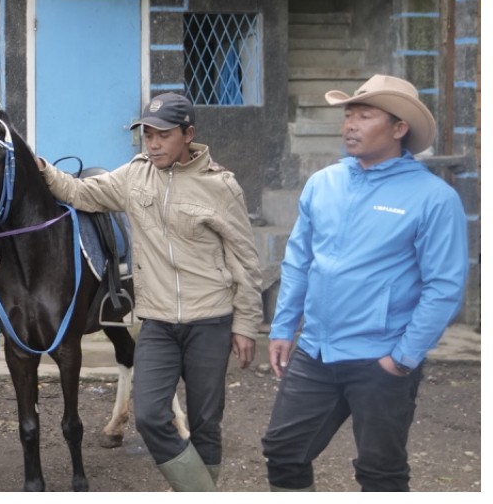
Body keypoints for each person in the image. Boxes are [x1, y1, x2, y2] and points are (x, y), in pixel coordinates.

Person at [37, 91, 262, 490]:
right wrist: (41, 170)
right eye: (146, 135)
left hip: (209, 319)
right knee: (151, 417)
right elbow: (80, 193)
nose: (153, 143)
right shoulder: (134, 174)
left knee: (206, 421)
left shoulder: (221, 186)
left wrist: (245, 322)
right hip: (156, 320)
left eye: (162, 135)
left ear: (188, 134)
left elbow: (244, 258)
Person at [261, 74, 467, 493]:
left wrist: (403, 358)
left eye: (364, 115)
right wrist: (284, 328)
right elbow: (299, 261)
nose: (350, 124)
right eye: (348, 115)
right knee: (283, 451)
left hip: (381, 358)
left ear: (398, 128)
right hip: (316, 350)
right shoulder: (324, 183)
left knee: (380, 473)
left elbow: (444, 285)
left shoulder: (432, 197)